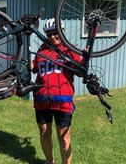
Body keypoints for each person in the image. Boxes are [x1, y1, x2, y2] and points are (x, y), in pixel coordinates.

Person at [31, 18, 88, 164]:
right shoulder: (42, 49)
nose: (52, 36)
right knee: (44, 132)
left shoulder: (70, 49)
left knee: (63, 136)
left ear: (62, 31)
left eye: (55, 32)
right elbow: (34, 67)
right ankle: (50, 161)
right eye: (49, 34)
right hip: (42, 99)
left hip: (63, 101)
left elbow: (80, 72)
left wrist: (85, 59)